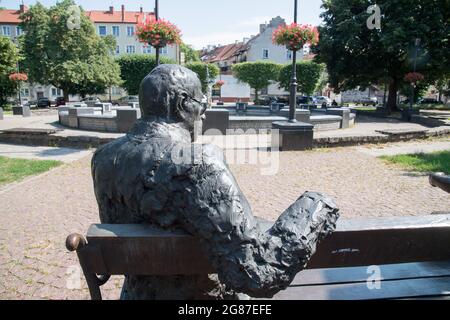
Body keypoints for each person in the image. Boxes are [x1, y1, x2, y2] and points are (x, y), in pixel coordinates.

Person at [91, 64, 339, 299]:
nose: (205, 111)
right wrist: (316, 204)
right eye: (202, 103)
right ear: (182, 104)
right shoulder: (198, 162)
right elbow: (257, 272)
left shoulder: (103, 158)